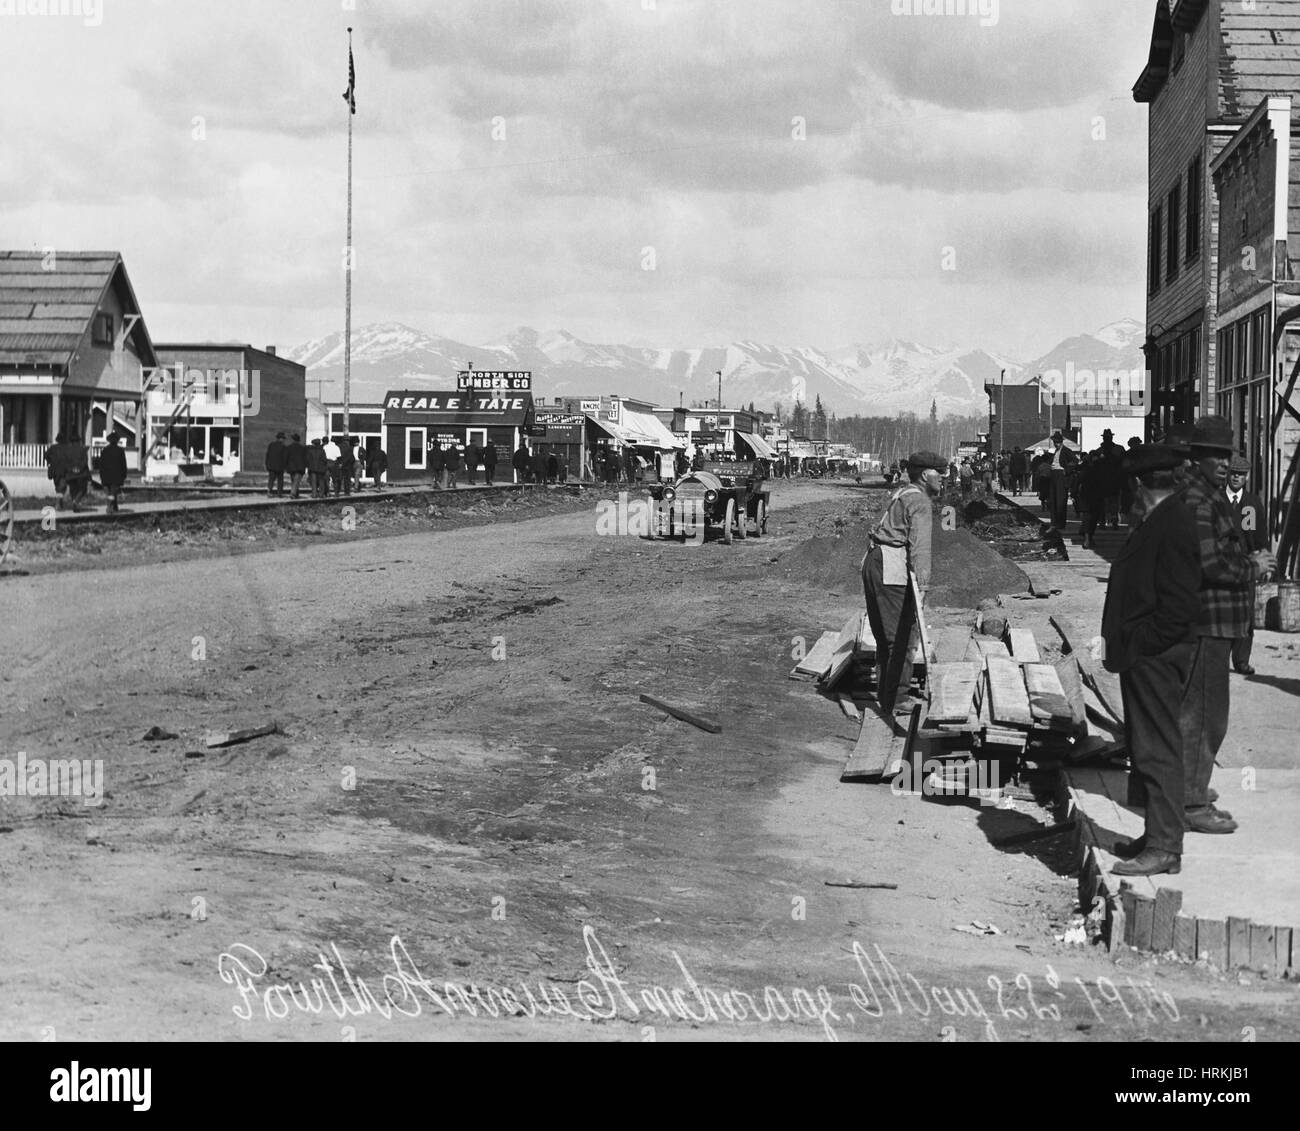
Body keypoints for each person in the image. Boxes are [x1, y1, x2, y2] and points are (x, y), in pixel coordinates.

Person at [1101, 446, 1204, 877]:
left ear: (1140, 484)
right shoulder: (1163, 518)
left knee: (1158, 749)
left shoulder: (1173, 522)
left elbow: (1180, 608)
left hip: (1157, 657)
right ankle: (1156, 834)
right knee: (1147, 747)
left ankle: (1164, 847)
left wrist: (1141, 643)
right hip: (1147, 655)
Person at [1177, 416, 1277, 836]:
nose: (1224, 462)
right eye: (1215, 455)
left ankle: (1191, 787)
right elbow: (1210, 563)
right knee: (1203, 717)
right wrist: (1251, 565)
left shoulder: (1210, 495)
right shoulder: (1199, 501)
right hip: (1207, 624)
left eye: (1227, 454)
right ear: (1197, 458)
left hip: (1218, 625)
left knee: (1205, 714)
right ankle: (1191, 802)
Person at [862, 450, 946, 714]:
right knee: (900, 636)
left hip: (875, 560)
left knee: (886, 635)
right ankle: (896, 699)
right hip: (891, 566)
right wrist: (924, 586)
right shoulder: (920, 501)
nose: (943, 479)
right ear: (925, 476)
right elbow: (919, 548)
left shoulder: (903, 493)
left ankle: (887, 695)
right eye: (939, 475)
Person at [1224, 455, 1268, 676]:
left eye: (1241, 474)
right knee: (1221, 611)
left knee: (1246, 613)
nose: (1236, 478)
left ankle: (1241, 660)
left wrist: (1264, 563)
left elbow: (1260, 537)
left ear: (1247, 477)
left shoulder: (1251, 503)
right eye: (1233, 473)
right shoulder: (1216, 500)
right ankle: (1218, 659)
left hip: (1246, 564)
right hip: (1221, 564)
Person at [1046, 431, 1078, 529]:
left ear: (1061, 442)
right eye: (1055, 442)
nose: (1057, 444)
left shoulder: (1067, 451)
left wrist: (1066, 470)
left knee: (1060, 500)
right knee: (1053, 500)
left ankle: (1060, 523)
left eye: (1058, 442)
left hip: (1061, 475)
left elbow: (1075, 461)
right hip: (1054, 475)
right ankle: (1054, 522)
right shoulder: (1054, 451)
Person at [1097, 429, 1126, 527]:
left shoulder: (1102, 451)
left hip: (1111, 480)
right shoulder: (1101, 450)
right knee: (1110, 501)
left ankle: (1109, 520)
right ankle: (1108, 519)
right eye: (1106, 437)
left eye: (1107, 437)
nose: (1107, 439)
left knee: (1111, 501)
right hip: (1109, 480)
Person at [99, 432, 128, 513]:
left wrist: (101, 474)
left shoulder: (105, 450)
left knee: (110, 493)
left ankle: (114, 507)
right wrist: (124, 474)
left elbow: (101, 464)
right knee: (113, 492)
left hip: (106, 475)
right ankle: (110, 507)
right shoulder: (120, 451)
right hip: (116, 475)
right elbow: (123, 464)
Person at [284, 433, 307, 499]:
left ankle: (295, 494)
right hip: (300, 467)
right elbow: (305, 458)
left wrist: (285, 466)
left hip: (291, 467)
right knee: (296, 481)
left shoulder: (289, 447)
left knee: (294, 481)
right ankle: (293, 494)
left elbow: (286, 457)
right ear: (299, 440)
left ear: (293, 439)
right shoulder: (302, 448)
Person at [265, 432, 287, 496]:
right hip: (280, 466)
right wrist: (285, 466)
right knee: (280, 480)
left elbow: (267, 455)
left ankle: (269, 491)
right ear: (281, 439)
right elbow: (284, 458)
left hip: (271, 466)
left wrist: (267, 464)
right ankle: (279, 493)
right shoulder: (283, 447)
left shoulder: (271, 445)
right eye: (283, 438)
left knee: (271, 479)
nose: (283, 440)